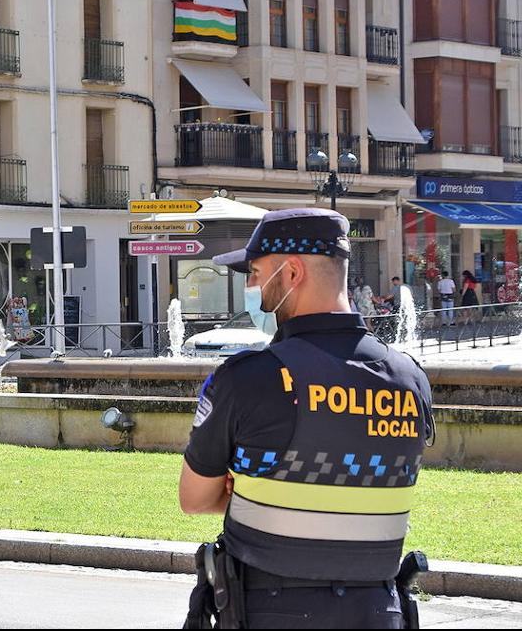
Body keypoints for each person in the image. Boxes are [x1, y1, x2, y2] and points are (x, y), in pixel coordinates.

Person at [180, 208, 433, 629]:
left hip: (269, 611)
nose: (253, 289)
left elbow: (196, 498)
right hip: (378, 610)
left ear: (292, 272)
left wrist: (253, 490)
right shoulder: (409, 379)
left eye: (256, 273)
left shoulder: (249, 379)